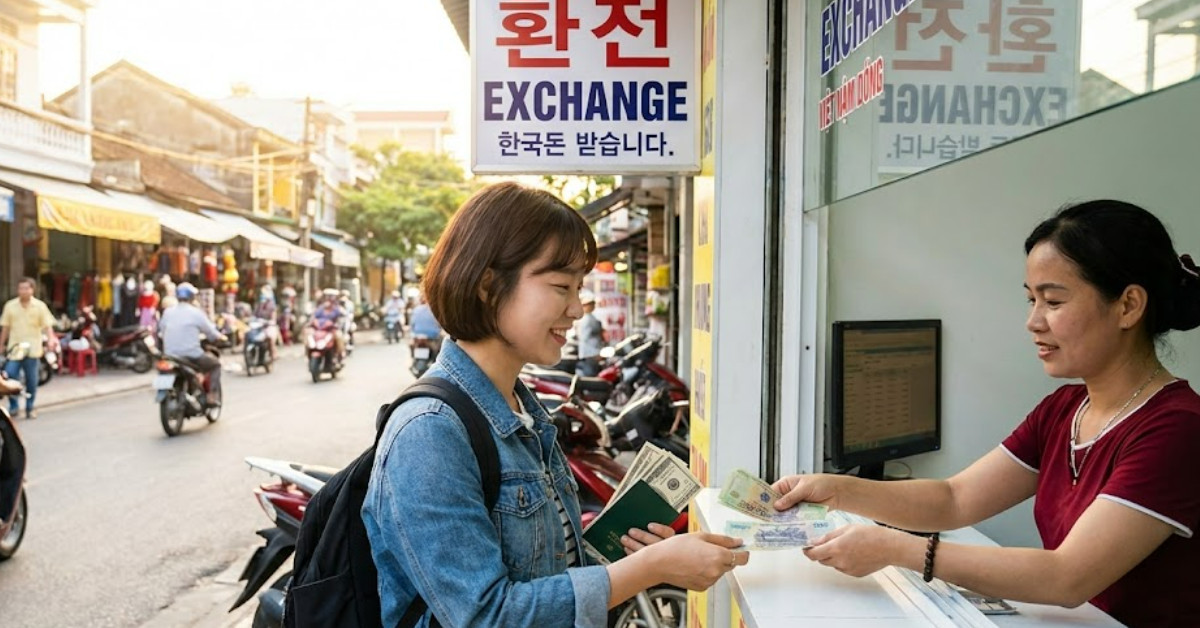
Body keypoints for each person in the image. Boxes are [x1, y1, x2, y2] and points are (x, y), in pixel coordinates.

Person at [773, 200, 1200, 628]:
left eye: (1053, 301)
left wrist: (897, 549)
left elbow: (1068, 578)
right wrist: (835, 490)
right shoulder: (1065, 409)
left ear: (1128, 306)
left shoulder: (1178, 428)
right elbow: (954, 499)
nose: (1033, 321)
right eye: (1031, 300)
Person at [362, 182, 749, 627]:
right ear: (488, 285)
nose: (577, 309)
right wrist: (648, 569)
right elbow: (485, 617)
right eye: (561, 286)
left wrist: (623, 558)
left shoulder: (520, 411)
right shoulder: (430, 431)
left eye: (578, 287)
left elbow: (540, 568)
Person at [0, 277, 59, 419]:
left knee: (32, 380)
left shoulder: (40, 306)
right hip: (15, 350)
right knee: (9, 377)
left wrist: (51, 339)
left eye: (26, 288)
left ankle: (30, 407)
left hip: (33, 350)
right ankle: (14, 407)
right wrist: (1, 344)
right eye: (21, 288)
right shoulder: (10, 306)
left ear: (32, 289)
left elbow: (47, 326)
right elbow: (5, 328)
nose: (23, 291)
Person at [159, 283, 226, 405]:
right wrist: (221, 338)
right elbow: (211, 332)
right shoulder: (196, 313)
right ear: (191, 297)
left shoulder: (168, 312)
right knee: (215, 365)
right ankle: (212, 395)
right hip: (191, 355)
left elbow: (162, 330)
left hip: (169, 355)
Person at [574, 289, 605, 376]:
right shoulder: (586, 319)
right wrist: (596, 353)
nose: (592, 306)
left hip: (592, 353)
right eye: (589, 304)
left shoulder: (589, 317)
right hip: (590, 354)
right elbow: (584, 339)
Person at [312, 290, 346, 359]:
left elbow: (340, 316)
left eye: (331, 297)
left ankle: (341, 353)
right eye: (328, 296)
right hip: (321, 329)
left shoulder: (337, 308)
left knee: (339, 336)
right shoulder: (321, 308)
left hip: (332, 329)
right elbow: (315, 316)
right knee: (310, 336)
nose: (329, 298)